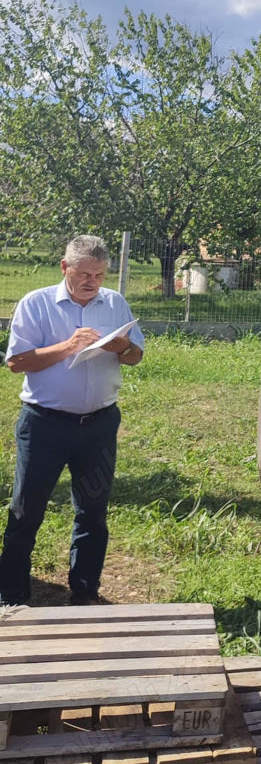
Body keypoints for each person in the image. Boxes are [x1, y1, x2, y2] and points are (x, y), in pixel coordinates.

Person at [0, 235, 144, 606]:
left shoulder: (115, 303)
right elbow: (17, 363)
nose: (91, 281)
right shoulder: (37, 303)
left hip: (98, 425)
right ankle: (13, 596)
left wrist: (122, 348)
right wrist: (69, 346)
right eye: (84, 273)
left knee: (93, 513)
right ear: (64, 268)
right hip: (44, 424)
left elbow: (135, 357)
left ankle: (84, 594)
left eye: (98, 274)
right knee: (25, 513)